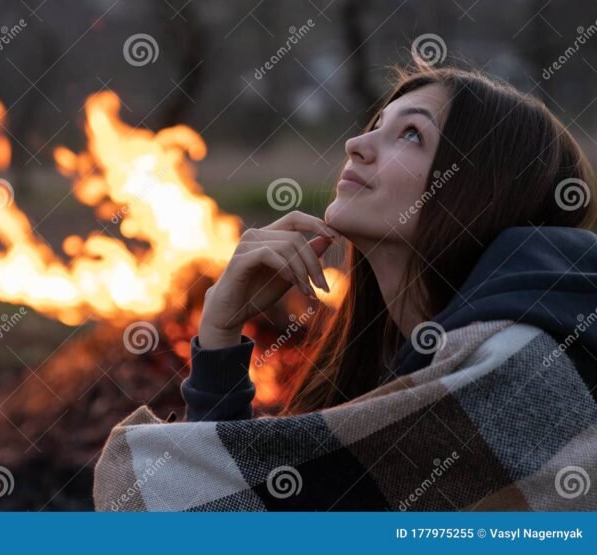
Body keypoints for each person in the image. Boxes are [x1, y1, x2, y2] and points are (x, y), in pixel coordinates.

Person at [94, 65, 597, 511]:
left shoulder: (519, 369)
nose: (357, 144)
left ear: (479, 193)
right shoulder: (413, 365)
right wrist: (220, 333)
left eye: (411, 136)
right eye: (376, 125)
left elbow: (183, 518)